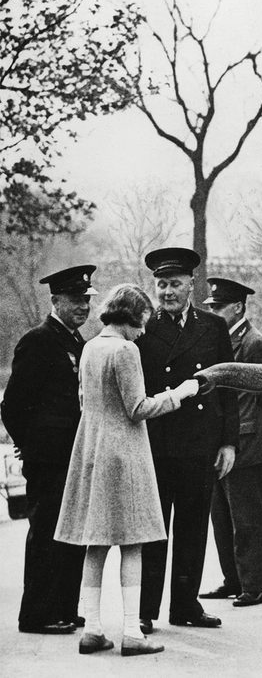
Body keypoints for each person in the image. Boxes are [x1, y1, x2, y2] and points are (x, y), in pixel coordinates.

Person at [54, 284, 200, 656]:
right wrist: (180, 393)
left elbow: (87, 401)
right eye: (143, 322)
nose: (144, 331)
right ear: (132, 316)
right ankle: (133, 632)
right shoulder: (125, 349)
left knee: (96, 543)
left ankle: (92, 628)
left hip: (92, 451)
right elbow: (138, 408)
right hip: (124, 455)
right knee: (134, 542)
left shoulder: (89, 347)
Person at [137, 248, 239, 633]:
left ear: (191, 285)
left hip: (200, 445)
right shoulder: (143, 327)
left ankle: (185, 605)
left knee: (194, 528)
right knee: (154, 529)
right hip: (157, 445)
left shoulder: (213, 327)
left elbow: (227, 386)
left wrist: (228, 442)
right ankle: (145, 610)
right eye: (161, 284)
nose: (167, 292)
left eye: (175, 284)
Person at [1, 265, 97, 635]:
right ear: (55, 300)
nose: (82, 307)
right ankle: (37, 614)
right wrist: (32, 447)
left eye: (86, 300)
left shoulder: (79, 344)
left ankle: (64, 609)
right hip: (49, 462)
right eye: (74, 300)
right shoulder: (38, 341)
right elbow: (12, 406)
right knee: (45, 535)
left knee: (72, 534)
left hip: (75, 458)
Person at [199, 278, 262, 608]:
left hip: (246, 445)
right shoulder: (221, 341)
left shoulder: (255, 345)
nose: (215, 313)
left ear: (238, 307)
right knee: (221, 517)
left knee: (247, 519)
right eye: (212, 308)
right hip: (220, 443)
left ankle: (255, 586)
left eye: (219, 307)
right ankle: (233, 580)